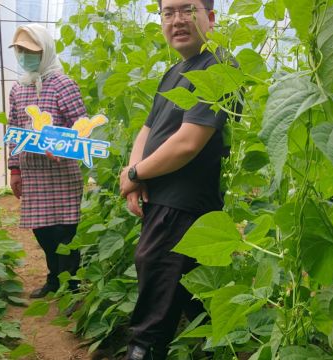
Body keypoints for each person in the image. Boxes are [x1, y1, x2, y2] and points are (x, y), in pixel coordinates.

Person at [118, 0, 240, 358]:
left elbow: (188, 143)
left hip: (182, 209)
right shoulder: (174, 72)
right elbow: (148, 129)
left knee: (152, 315)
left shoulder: (220, 67)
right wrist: (132, 176)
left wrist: (137, 173)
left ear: (211, 18)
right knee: (192, 298)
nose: (177, 20)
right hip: (162, 203)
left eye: (187, 9)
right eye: (168, 12)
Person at [7, 24, 86, 299]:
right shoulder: (19, 88)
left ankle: (72, 284)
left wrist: (64, 144)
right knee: (42, 231)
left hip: (61, 171)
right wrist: (14, 169)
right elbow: (14, 128)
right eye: (20, 50)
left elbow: (82, 125)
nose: (24, 55)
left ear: (44, 51)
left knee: (65, 230)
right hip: (33, 173)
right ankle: (54, 279)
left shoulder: (63, 84)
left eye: (30, 50)